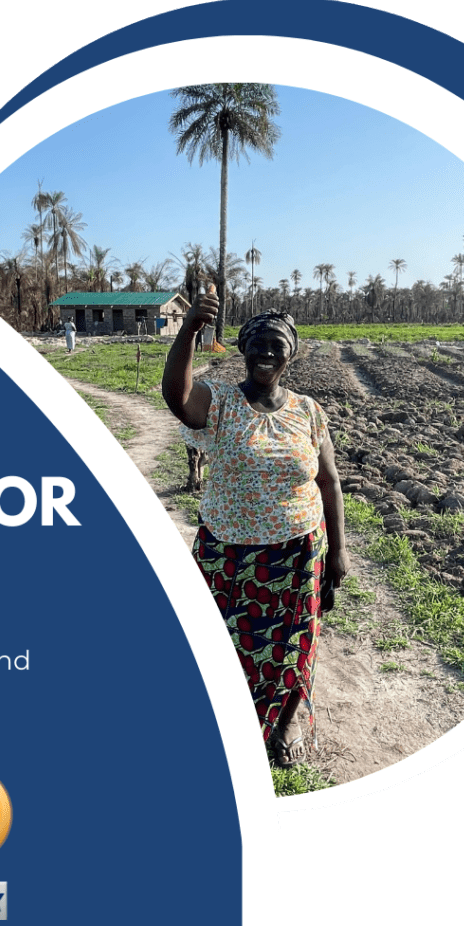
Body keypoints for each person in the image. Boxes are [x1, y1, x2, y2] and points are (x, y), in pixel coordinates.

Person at [162, 285, 350, 767]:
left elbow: (329, 482)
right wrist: (189, 328)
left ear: (291, 355)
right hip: (228, 553)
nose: (266, 353)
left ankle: (287, 719)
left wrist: (339, 552)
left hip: (299, 551)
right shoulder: (220, 401)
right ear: (243, 349)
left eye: (277, 346)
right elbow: (177, 397)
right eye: (257, 344)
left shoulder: (308, 411)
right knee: (219, 640)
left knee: (295, 639)